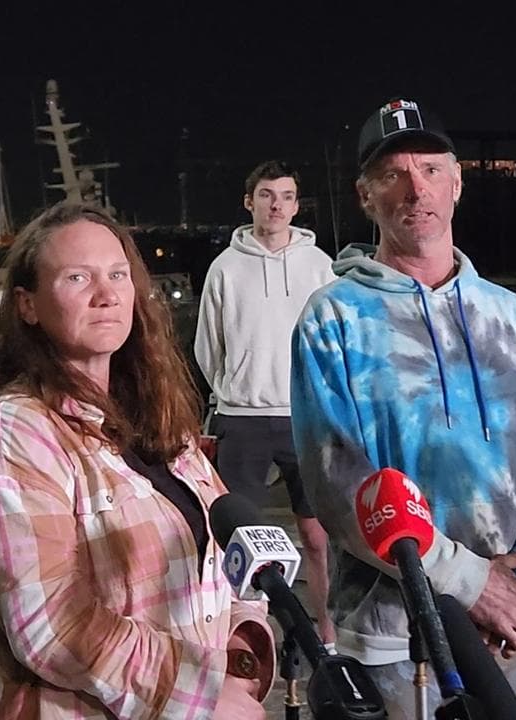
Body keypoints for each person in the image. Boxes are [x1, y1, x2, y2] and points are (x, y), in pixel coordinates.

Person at [289, 98, 516, 720]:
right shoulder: (331, 319)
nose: (416, 189)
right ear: (366, 196)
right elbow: (338, 485)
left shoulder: (515, 318)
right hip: (392, 632)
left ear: (457, 182)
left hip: (513, 623)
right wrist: (471, 584)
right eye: (393, 174)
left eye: (430, 169)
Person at [0, 202, 275, 719]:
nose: (107, 294)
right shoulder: (14, 437)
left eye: (118, 274)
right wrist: (198, 691)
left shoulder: (158, 421)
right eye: (78, 278)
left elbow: (223, 556)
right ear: (27, 306)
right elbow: (51, 624)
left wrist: (238, 649)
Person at [194, 160, 337, 645]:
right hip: (242, 420)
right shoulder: (224, 268)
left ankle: (326, 635)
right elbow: (208, 347)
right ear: (249, 202)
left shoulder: (319, 266)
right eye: (266, 195)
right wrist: (233, 388)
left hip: (305, 418)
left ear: (296, 205)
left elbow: (331, 342)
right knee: (235, 541)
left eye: (286, 196)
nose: (276, 205)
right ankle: (242, 636)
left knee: (316, 535)